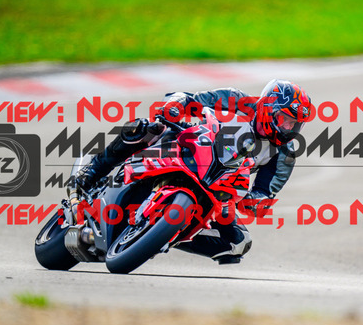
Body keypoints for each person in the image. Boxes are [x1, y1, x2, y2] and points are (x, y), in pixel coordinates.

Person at [70, 79, 312, 264]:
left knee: (238, 244)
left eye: (294, 124)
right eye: (285, 119)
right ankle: (93, 170)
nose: (288, 128)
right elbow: (190, 99)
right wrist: (174, 107)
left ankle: (162, 236)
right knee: (146, 127)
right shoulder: (237, 100)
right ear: (268, 107)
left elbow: (265, 191)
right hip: (190, 145)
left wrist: (255, 202)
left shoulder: (284, 153)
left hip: (220, 186)